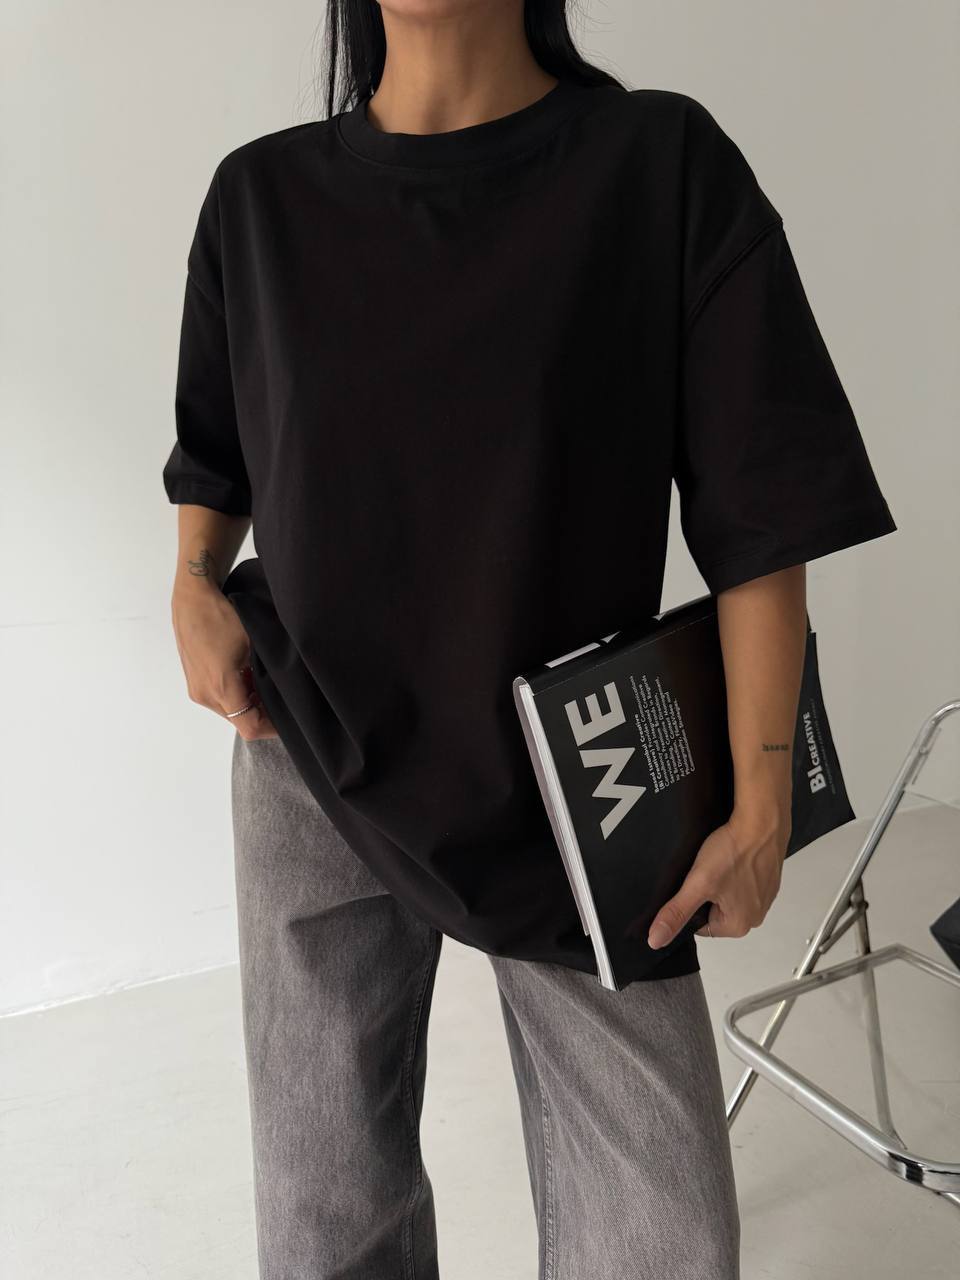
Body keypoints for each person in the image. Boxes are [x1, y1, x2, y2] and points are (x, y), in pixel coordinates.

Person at [162, 3, 898, 1276]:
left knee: (665, 1235)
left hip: (583, 783)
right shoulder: (260, 199)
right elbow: (214, 451)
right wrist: (190, 582)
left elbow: (762, 512)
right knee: (327, 1209)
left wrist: (764, 796)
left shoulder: (659, 167)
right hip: (308, 749)